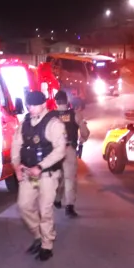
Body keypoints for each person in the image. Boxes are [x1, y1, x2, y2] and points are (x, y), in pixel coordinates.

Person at [11, 90, 67, 261]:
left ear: (43, 104)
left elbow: (60, 151)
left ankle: (46, 245)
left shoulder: (54, 124)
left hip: (47, 175)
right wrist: (16, 166)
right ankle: (38, 235)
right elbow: (16, 144)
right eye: (28, 105)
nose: (30, 108)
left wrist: (41, 166)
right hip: (30, 174)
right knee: (24, 205)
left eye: (34, 105)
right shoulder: (25, 123)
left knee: (45, 210)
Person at [53, 90, 90, 218]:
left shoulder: (50, 115)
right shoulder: (75, 114)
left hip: (54, 152)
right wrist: (82, 139)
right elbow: (85, 131)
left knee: (58, 177)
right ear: (67, 101)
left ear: (56, 102)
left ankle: (57, 200)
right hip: (69, 149)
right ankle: (69, 207)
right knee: (69, 178)